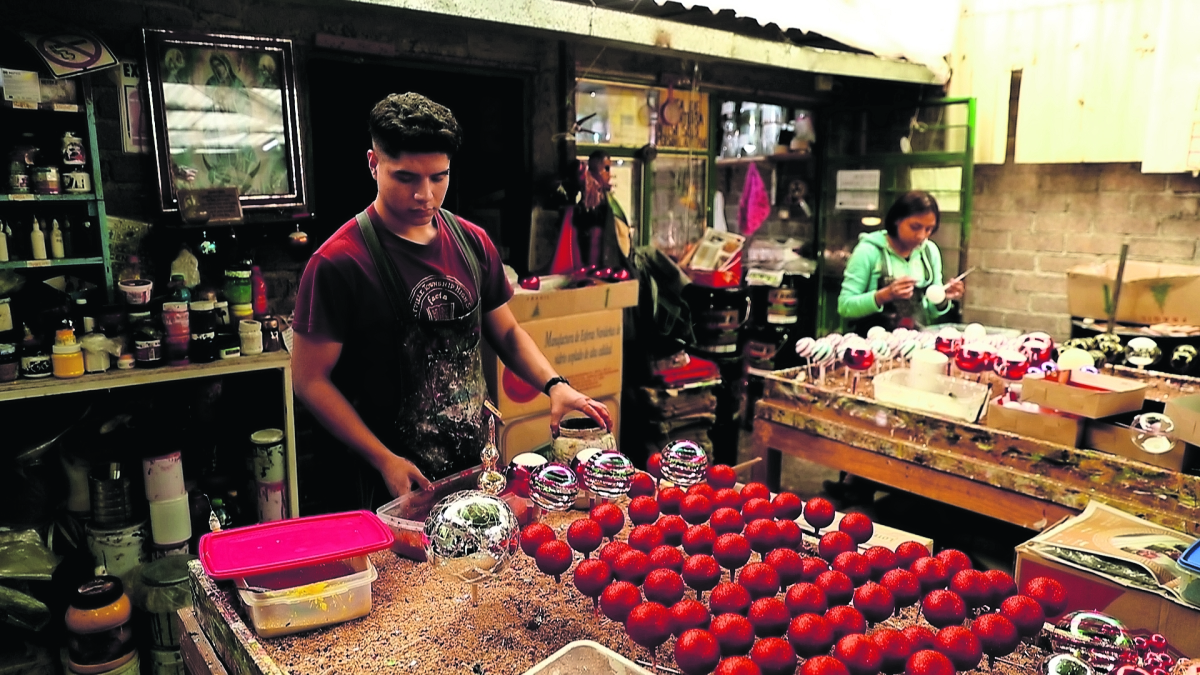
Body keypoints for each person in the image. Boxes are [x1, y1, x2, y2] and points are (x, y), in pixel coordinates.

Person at [293, 93, 611, 506]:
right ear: (373, 163)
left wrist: (554, 385)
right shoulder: (338, 263)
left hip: (473, 471)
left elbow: (508, 332)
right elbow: (308, 381)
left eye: (438, 177)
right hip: (386, 484)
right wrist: (383, 458)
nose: (424, 195)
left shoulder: (472, 243)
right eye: (406, 178)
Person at [837, 190, 965, 333]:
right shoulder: (868, 251)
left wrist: (942, 297)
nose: (922, 236)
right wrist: (884, 295)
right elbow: (845, 306)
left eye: (929, 229)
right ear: (897, 219)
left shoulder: (929, 252)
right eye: (915, 227)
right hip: (871, 343)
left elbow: (931, 311)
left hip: (913, 341)